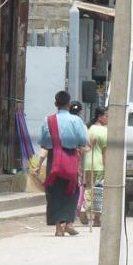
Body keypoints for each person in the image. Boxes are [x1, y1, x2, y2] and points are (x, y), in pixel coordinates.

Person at [40, 90, 90, 237]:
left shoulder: (47, 121)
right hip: (71, 157)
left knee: (54, 191)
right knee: (71, 190)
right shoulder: (76, 121)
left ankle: (58, 227)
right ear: (68, 104)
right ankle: (67, 221)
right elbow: (82, 140)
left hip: (54, 158)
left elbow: (44, 143)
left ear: (56, 104)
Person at [84, 105, 109, 227]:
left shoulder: (90, 129)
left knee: (89, 189)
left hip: (88, 164)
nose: (108, 118)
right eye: (106, 116)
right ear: (100, 116)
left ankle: (87, 211)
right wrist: (107, 167)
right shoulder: (105, 131)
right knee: (98, 191)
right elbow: (105, 152)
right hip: (99, 165)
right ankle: (97, 219)